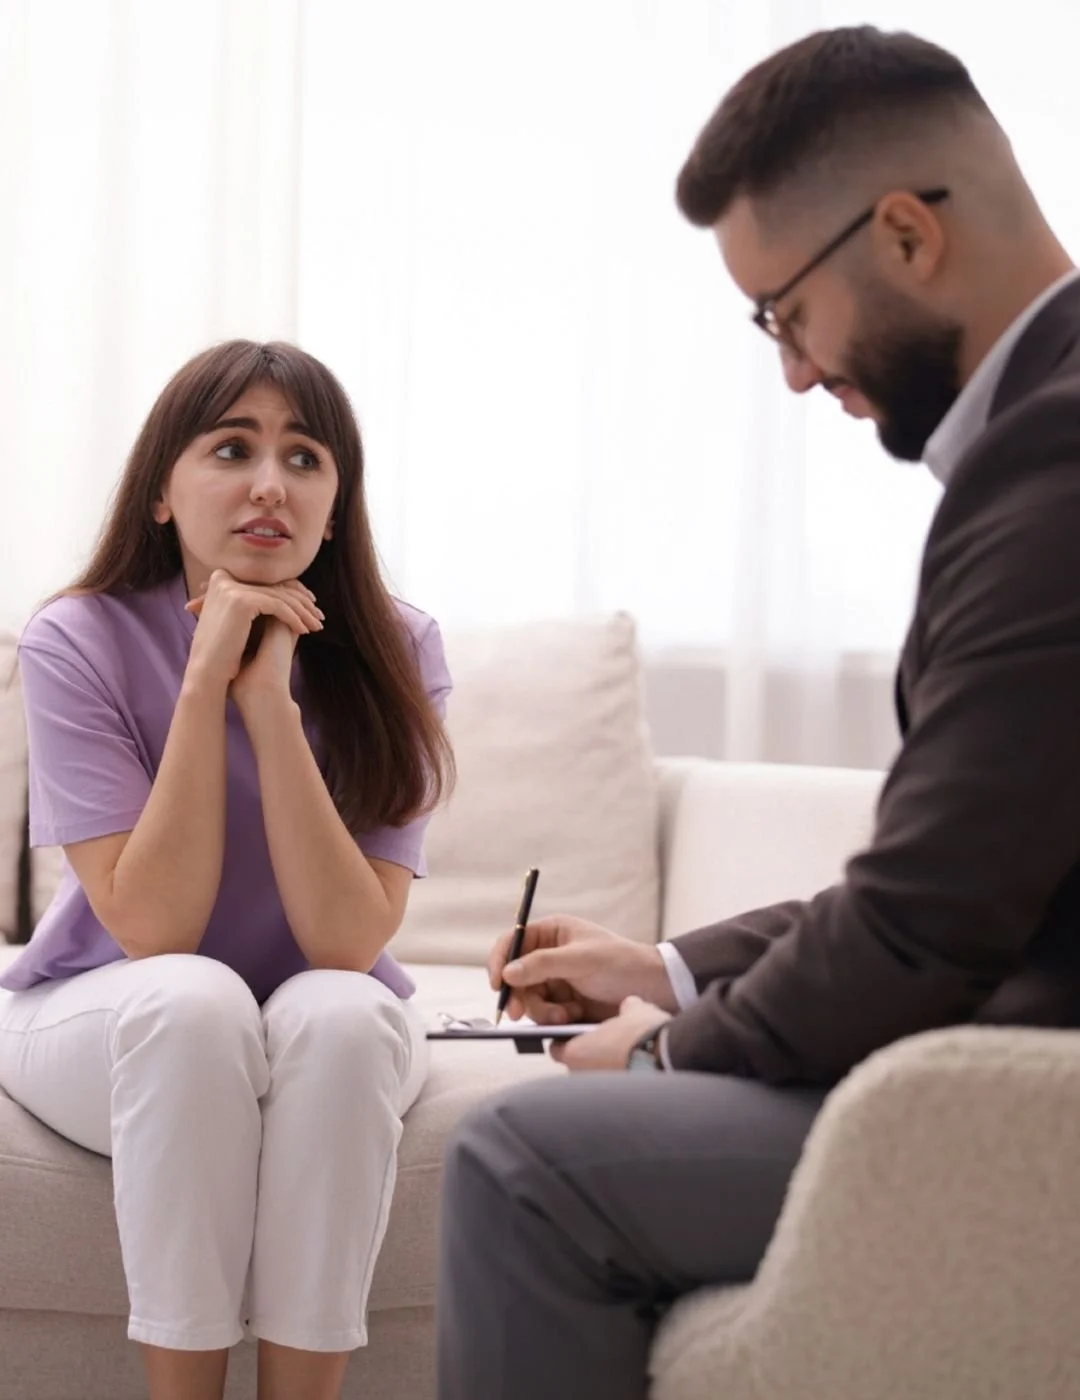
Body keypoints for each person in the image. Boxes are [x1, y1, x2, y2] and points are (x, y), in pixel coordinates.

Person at [436, 25, 1080, 1400]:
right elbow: (990, 877)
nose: (792, 372)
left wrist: (665, 1051)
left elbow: (927, 922)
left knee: (520, 1167)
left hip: (1029, 1102)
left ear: (906, 235)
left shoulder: (1054, 471)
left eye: (785, 315)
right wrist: (664, 967)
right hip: (1013, 1043)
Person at [0, 340, 454, 1400]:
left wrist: (269, 702)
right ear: (163, 488)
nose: (269, 483)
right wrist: (206, 680)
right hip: (106, 1003)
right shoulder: (77, 636)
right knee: (195, 998)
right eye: (231, 448)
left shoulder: (401, 644)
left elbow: (351, 941)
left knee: (339, 1013)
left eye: (305, 458)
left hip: (316, 1004)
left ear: (336, 507)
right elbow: (152, 925)